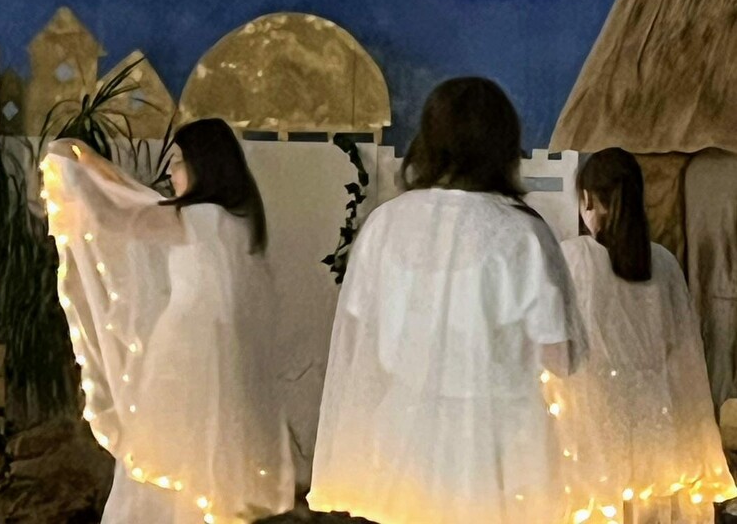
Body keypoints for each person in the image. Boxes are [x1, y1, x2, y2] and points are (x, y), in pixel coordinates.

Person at [308, 77, 588, 524]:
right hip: (499, 445)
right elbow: (562, 357)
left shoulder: (384, 225)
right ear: (504, 145)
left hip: (403, 435)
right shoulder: (522, 234)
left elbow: (360, 340)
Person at [41, 119, 295, 524]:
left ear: (201, 165)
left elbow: (113, 218)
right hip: (221, 359)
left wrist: (74, 168)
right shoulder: (240, 219)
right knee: (208, 463)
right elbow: (140, 204)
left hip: (184, 357)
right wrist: (97, 168)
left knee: (164, 460)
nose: (171, 173)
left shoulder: (199, 217)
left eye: (177, 162)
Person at [548, 148, 735, 523]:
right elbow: (682, 350)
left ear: (588, 200)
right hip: (659, 425)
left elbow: (558, 350)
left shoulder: (575, 258)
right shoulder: (662, 262)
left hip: (597, 425)